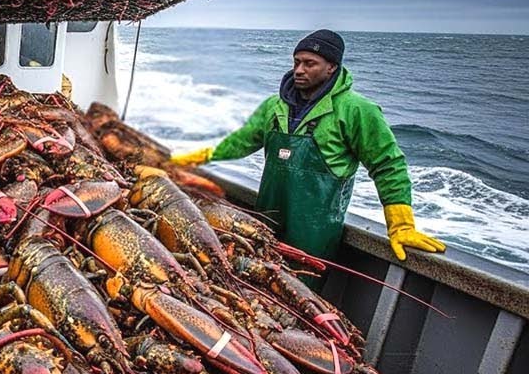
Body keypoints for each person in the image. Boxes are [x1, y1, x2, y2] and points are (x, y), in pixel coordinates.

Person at [169, 30, 444, 262]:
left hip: (314, 232)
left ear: (332, 67)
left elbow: (388, 165)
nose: (299, 70)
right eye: (296, 62)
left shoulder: (357, 110)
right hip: (265, 221)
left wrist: (401, 224)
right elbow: (242, 142)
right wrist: (198, 157)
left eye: (310, 63)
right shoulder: (274, 106)